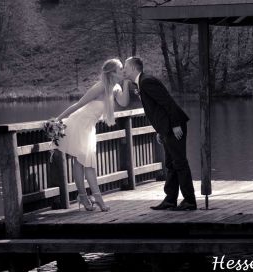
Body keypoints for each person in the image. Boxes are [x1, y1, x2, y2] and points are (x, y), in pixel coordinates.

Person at [123, 56, 197, 211]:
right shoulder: (142, 82)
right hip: (167, 127)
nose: (124, 70)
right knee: (171, 164)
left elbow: (167, 102)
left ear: (133, 68)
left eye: (125, 67)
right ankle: (170, 200)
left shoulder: (146, 81)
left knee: (180, 163)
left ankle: (190, 201)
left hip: (174, 125)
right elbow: (157, 110)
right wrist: (160, 131)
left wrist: (176, 124)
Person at [56, 58, 130, 211]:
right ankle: (96, 200)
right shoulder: (100, 87)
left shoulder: (115, 87)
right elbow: (78, 105)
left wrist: (127, 83)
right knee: (86, 163)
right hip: (78, 124)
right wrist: (57, 120)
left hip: (88, 128)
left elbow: (123, 102)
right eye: (121, 68)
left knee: (83, 162)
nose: (123, 71)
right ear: (112, 72)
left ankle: (85, 197)